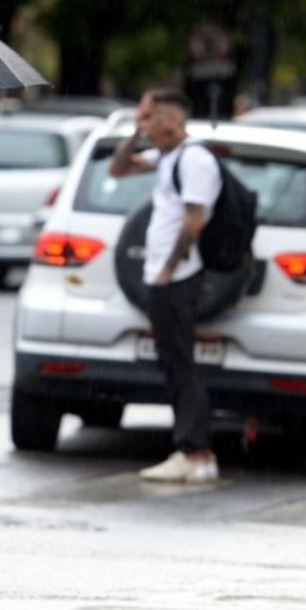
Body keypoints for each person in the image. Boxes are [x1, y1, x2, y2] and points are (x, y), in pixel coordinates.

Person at [109, 88, 222, 484]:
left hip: (177, 279)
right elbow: (118, 170)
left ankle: (194, 451)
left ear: (172, 122)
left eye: (151, 120)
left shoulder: (195, 160)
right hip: (165, 275)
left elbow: (195, 220)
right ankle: (197, 454)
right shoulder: (168, 157)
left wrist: (169, 270)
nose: (147, 127)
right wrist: (135, 132)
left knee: (180, 364)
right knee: (174, 362)